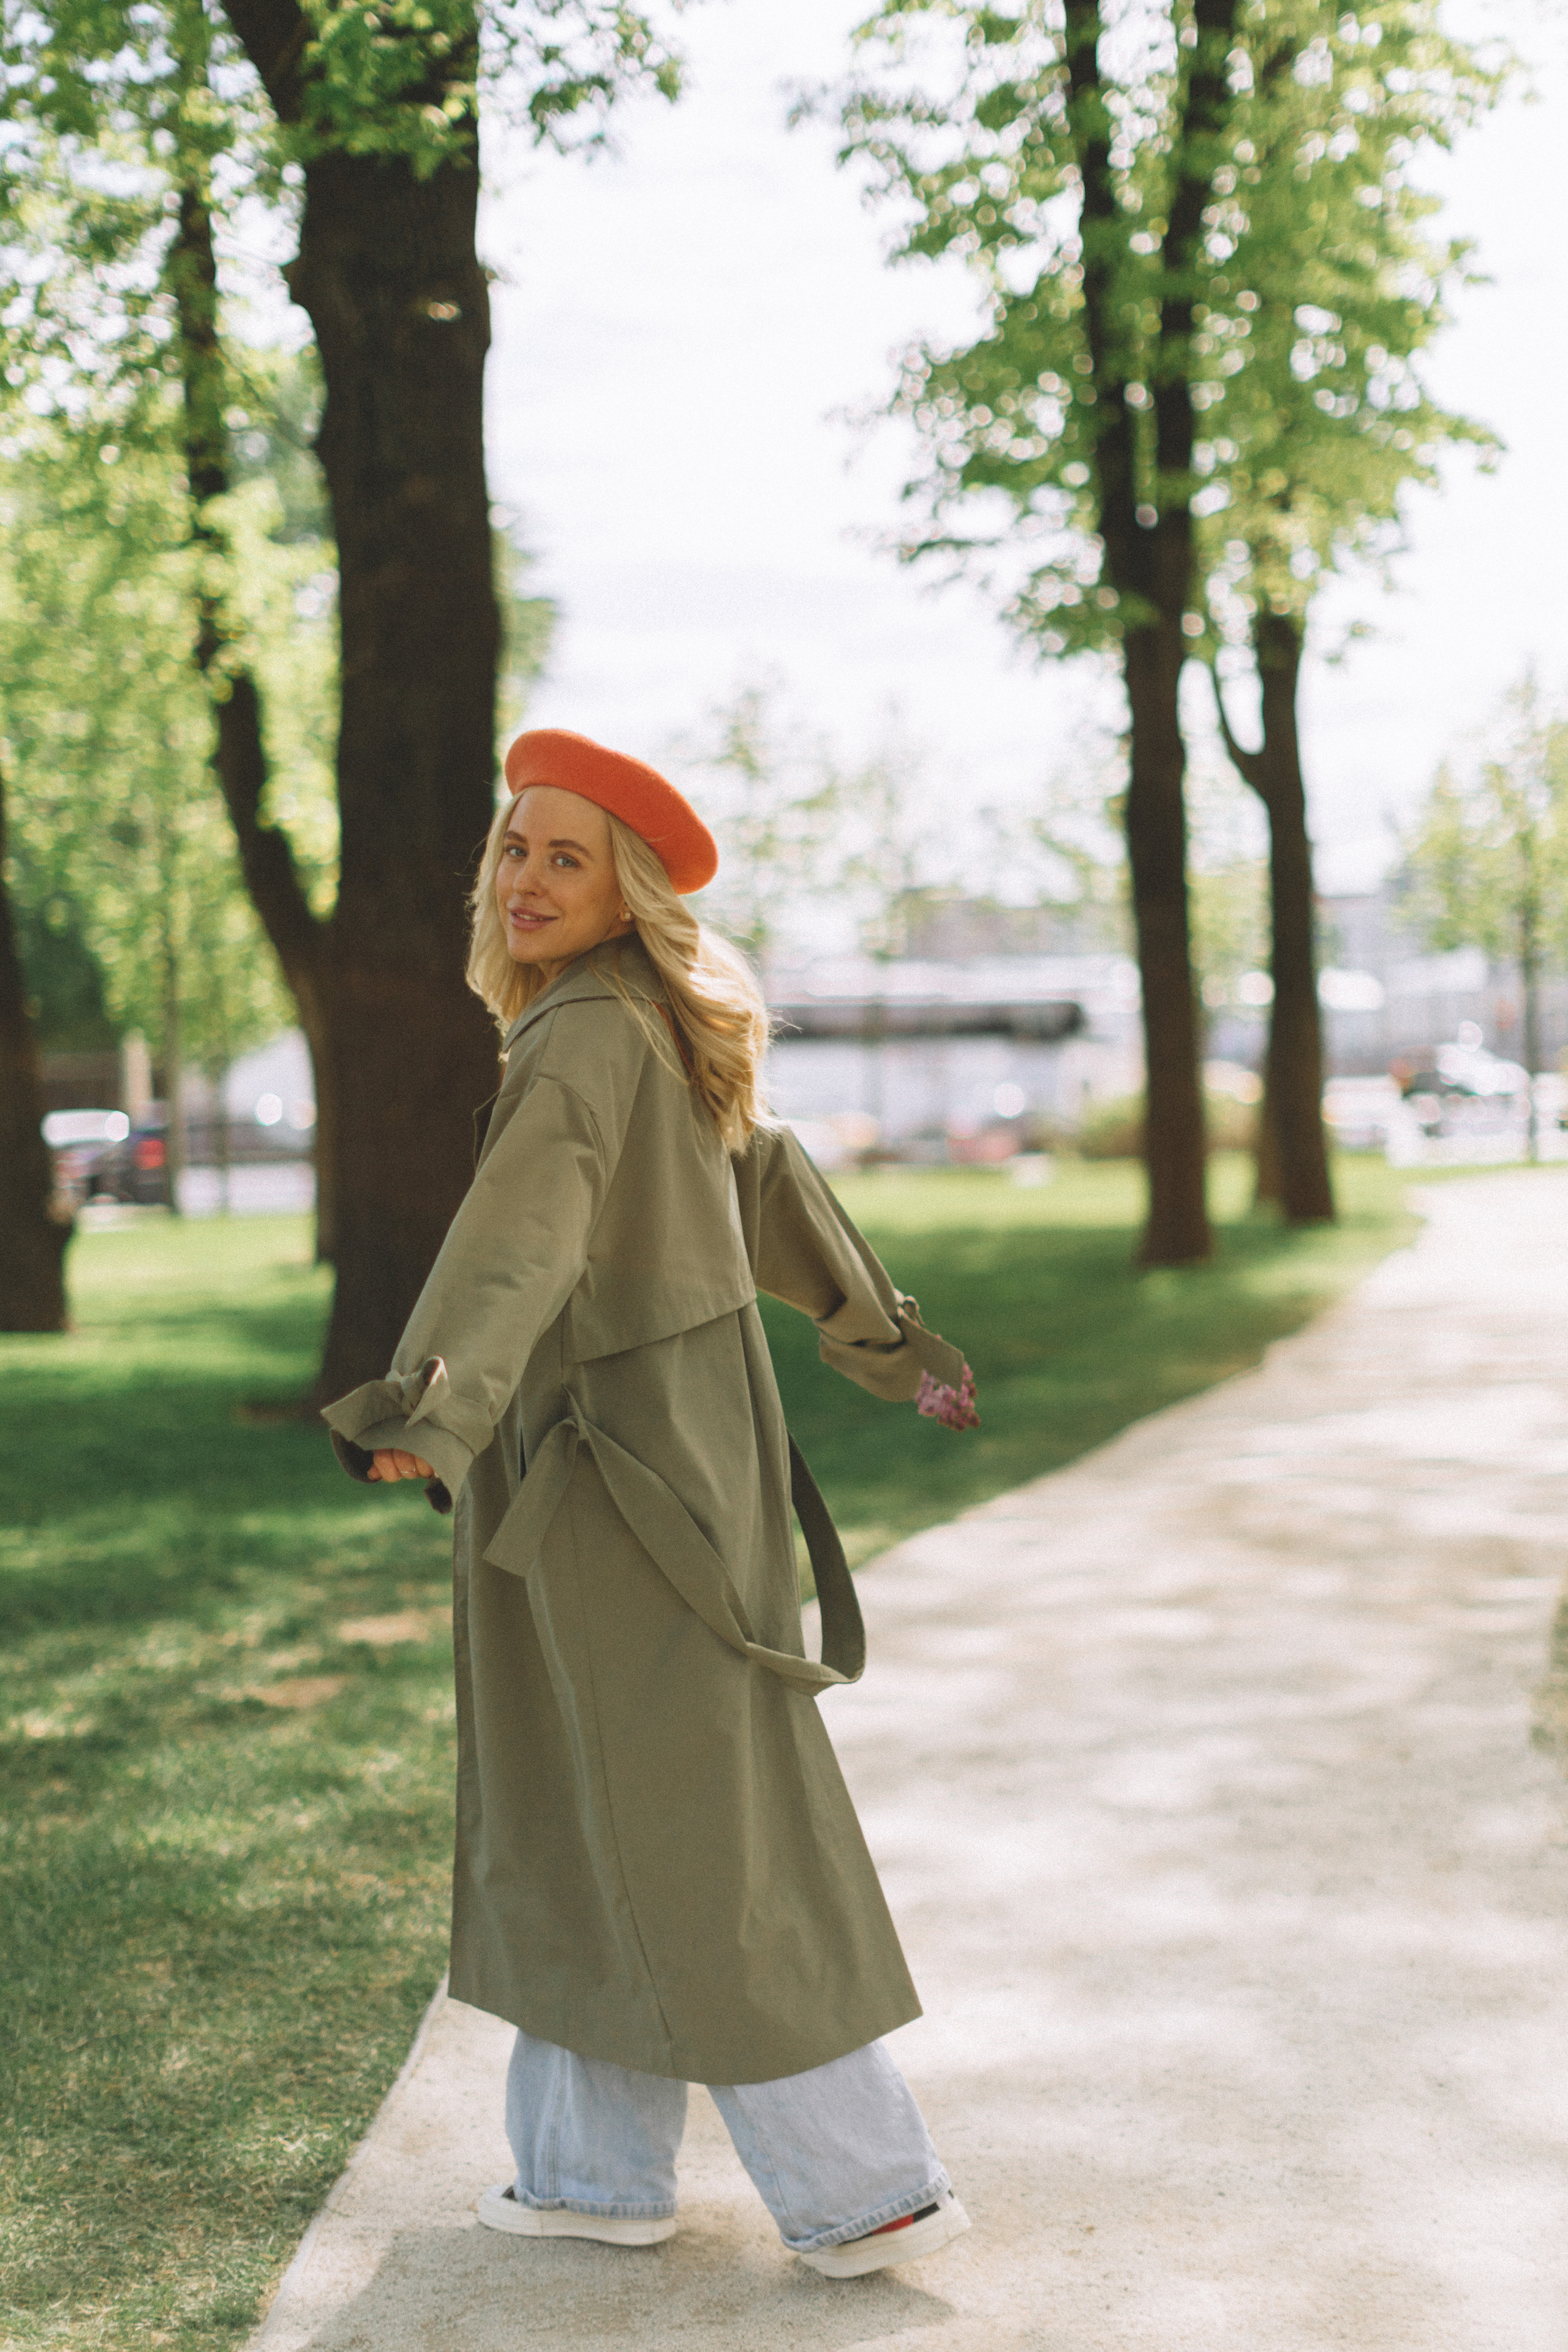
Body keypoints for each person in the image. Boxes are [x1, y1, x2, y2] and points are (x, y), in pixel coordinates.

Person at [323, 727, 980, 2280]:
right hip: (669, 1468)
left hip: (609, 1483)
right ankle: (588, 2175)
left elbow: (519, 1233)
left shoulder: (586, 1041)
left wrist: (434, 1407)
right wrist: (897, 1352)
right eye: (515, 848)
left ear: (626, 892)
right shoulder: (648, 1028)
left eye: (569, 856)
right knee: (595, 1804)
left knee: (687, 1822)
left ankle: (862, 2186)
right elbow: (786, 1199)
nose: (529, 878)